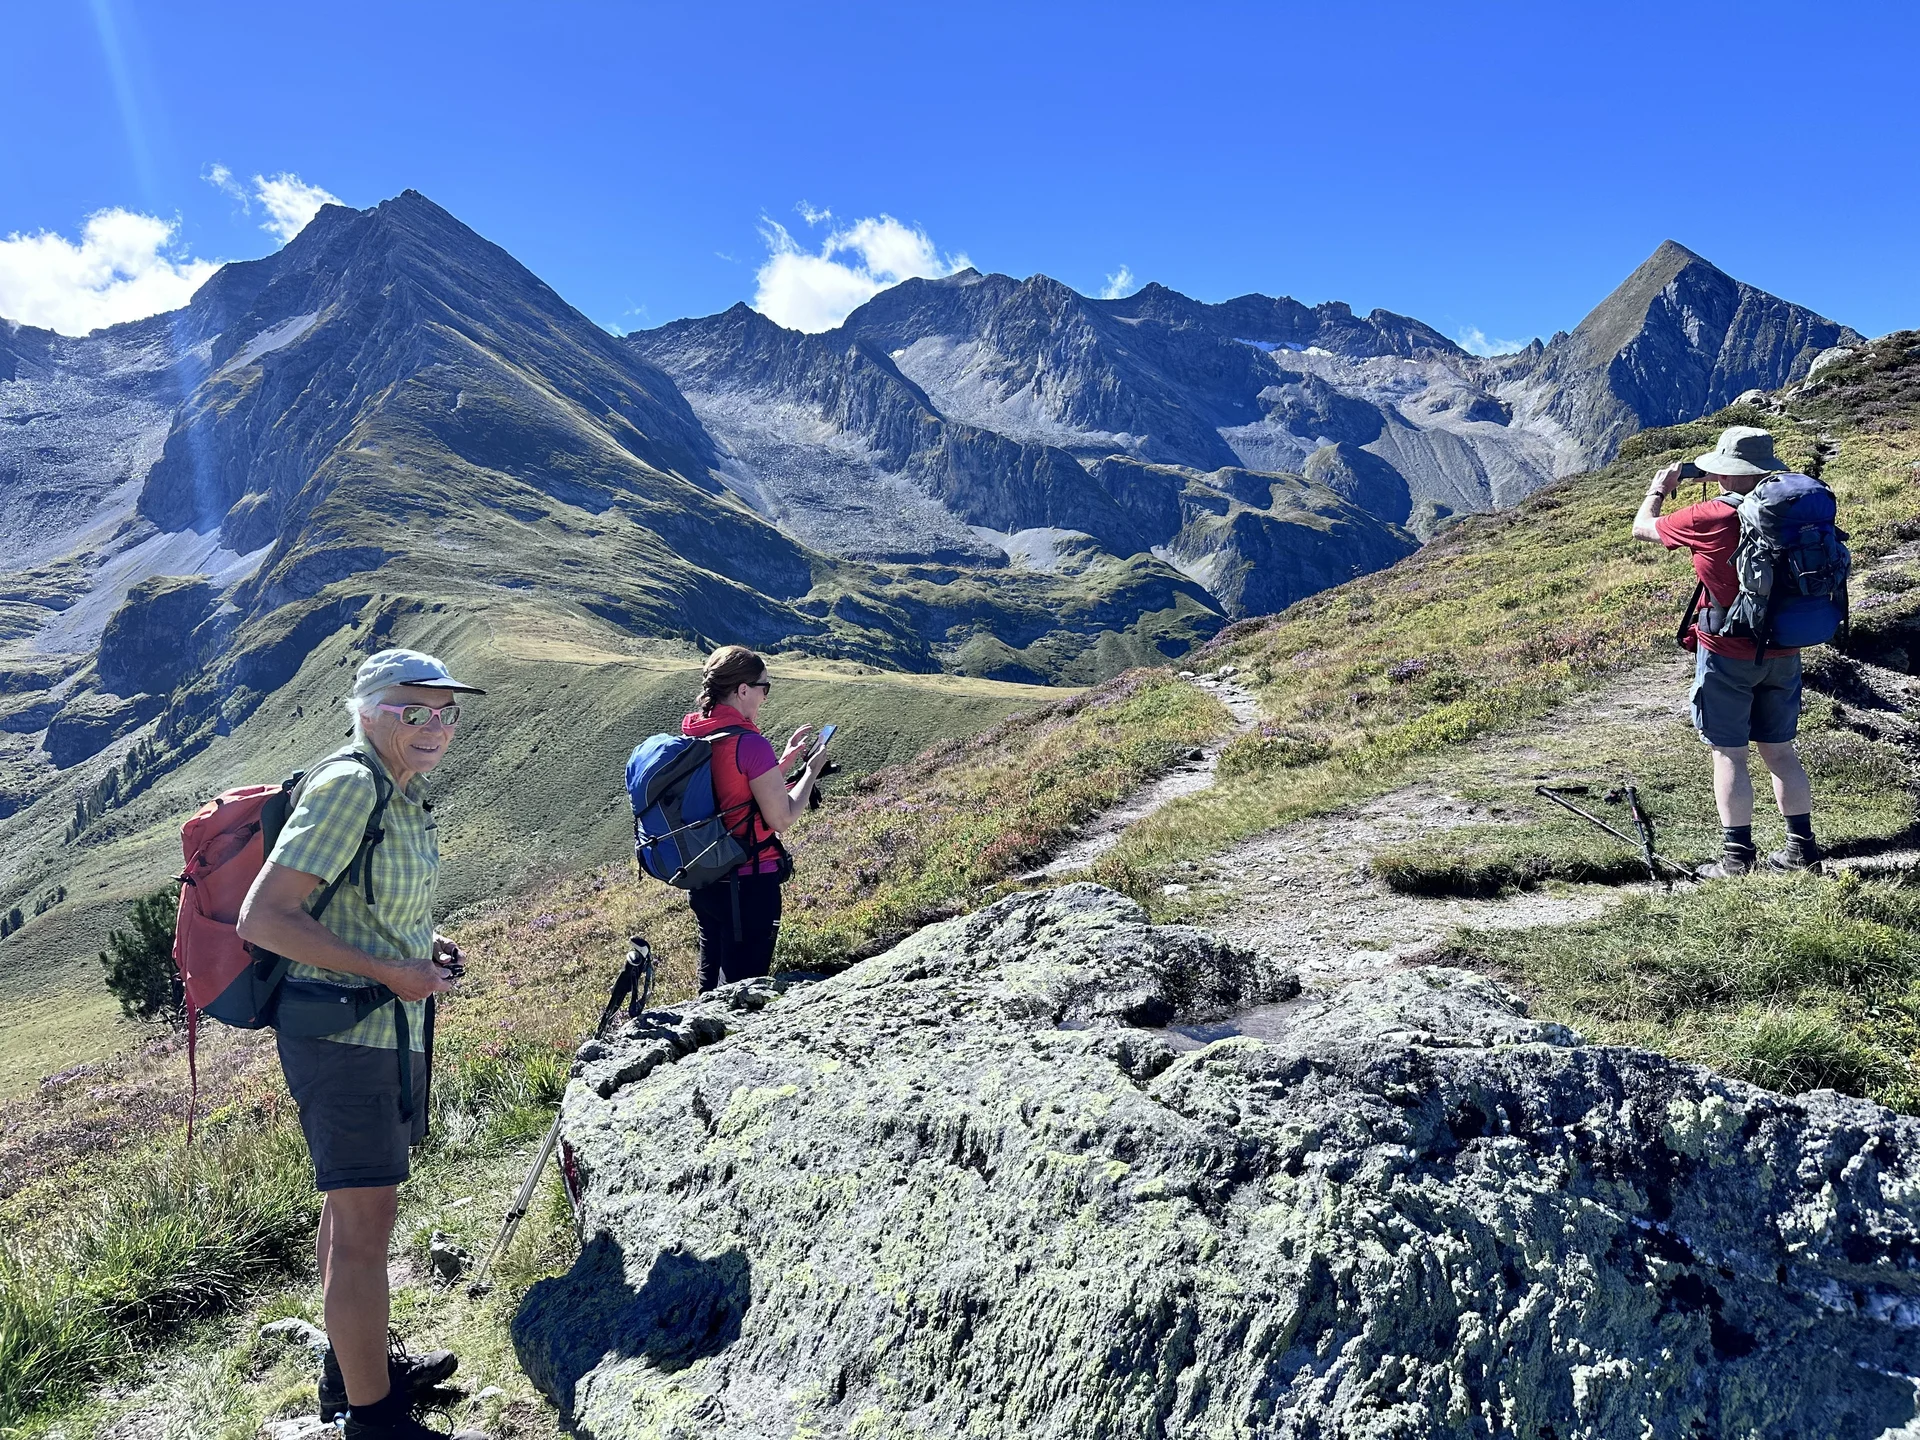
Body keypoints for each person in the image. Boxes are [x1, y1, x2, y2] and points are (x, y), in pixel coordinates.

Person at [237, 649, 488, 1440]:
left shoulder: (397, 790)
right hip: (344, 1035)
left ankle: (350, 1375)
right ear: (369, 712)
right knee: (365, 1227)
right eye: (415, 711)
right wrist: (390, 970)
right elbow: (264, 917)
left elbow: (355, 902)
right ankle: (374, 1420)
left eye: (447, 713)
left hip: (379, 1029)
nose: (436, 726)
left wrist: (420, 945)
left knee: (351, 1216)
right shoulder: (351, 784)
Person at [1631, 426, 1820, 878]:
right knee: (1780, 750)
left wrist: (1659, 490)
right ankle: (1801, 851)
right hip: (1785, 646)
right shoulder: (1792, 511)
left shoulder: (1710, 516)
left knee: (1730, 753)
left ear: (1726, 472)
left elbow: (1642, 528)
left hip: (1727, 651)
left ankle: (1736, 858)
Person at [679, 645, 831, 991]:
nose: (765, 696)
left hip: (706, 878)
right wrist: (811, 771)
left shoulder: (697, 732)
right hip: (748, 881)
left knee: (710, 986)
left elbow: (732, 793)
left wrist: (784, 762)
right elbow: (781, 818)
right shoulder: (749, 744)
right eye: (765, 687)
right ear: (743, 690)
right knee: (742, 990)